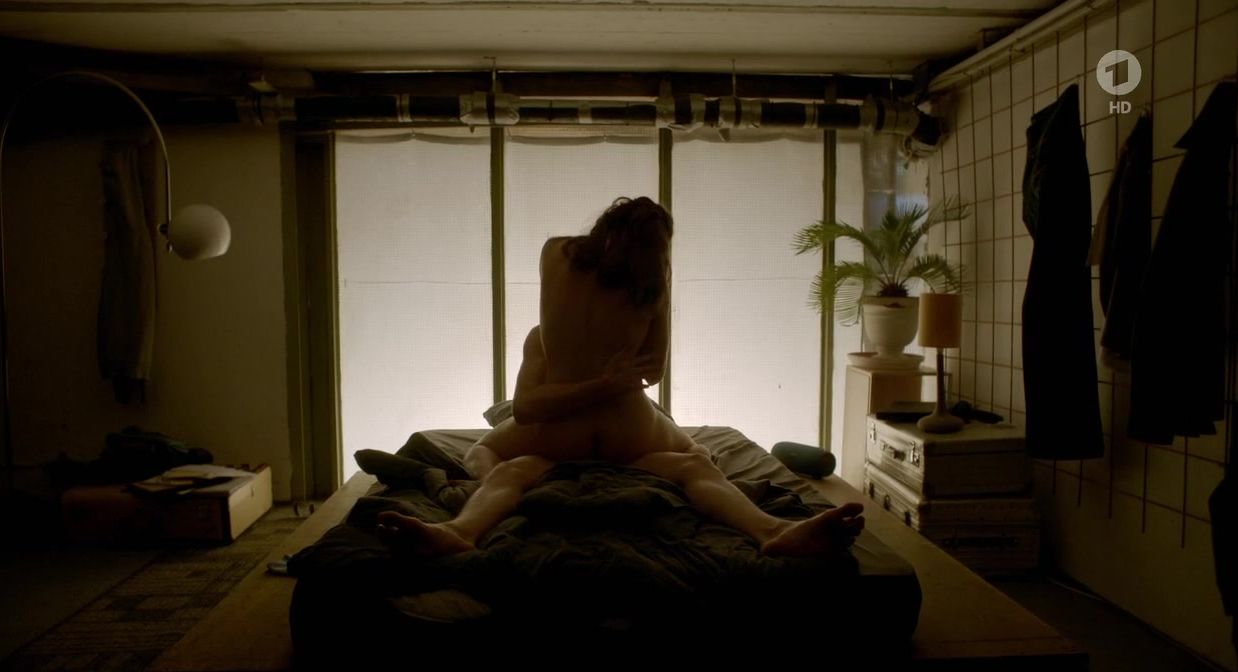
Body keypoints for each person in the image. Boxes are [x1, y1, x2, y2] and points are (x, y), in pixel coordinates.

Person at [377, 196, 864, 556]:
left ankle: (460, 531)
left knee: (504, 466)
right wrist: (618, 367)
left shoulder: (555, 256)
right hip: (628, 434)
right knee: (698, 463)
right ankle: (771, 529)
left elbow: (524, 410)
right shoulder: (650, 287)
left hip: (557, 440)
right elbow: (654, 370)